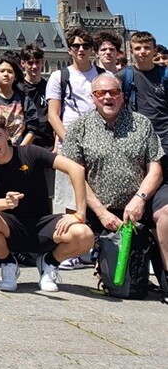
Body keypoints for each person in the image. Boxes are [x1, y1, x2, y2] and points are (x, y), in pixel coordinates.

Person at [61, 74, 168, 299]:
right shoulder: (79, 128)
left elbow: (155, 169)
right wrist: (101, 213)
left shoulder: (141, 123)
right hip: (100, 206)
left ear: (122, 96)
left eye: (113, 92)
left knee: (166, 214)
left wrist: (139, 199)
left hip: (141, 199)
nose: (108, 97)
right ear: (93, 98)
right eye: (101, 93)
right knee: (72, 231)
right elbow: (76, 177)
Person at [0, 110, 94, 293]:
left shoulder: (31, 152)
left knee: (85, 235)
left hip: (42, 225)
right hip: (9, 228)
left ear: (7, 134)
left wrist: (80, 214)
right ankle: (8, 263)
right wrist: (6, 203)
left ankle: (49, 263)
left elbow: (76, 169)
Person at [46, 28, 103, 235]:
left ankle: (97, 241)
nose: (81, 50)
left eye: (85, 46)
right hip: (69, 141)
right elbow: (53, 115)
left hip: (99, 141)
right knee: (71, 196)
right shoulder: (59, 76)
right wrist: (69, 141)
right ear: (69, 50)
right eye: (76, 46)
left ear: (92, 50)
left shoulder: (103, 76)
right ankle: (74, 241)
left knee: (99, 192)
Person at [118, 31, 168, 171]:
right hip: (136, 137)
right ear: (131, 51)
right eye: (138, 48)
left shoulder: (165, 75)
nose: (143, 52)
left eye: (147, 47)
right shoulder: (124, 76)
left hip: (164, 135)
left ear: (155, 50)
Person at [0, 57, 39, 146]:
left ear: (15, 77)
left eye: (10, 72)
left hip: (19, 149)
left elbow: (33, 127)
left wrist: (22, 148)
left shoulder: (24, 99)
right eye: (2, 71)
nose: (6, 74)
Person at [19, 46, 53, 151]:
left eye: (37, 62)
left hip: (47, 143)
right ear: (22, 64)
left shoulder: (50, 87)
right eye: (30, 63)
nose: (34, 66)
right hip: (25, 142)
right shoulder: (18, 89)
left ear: (42, 63)